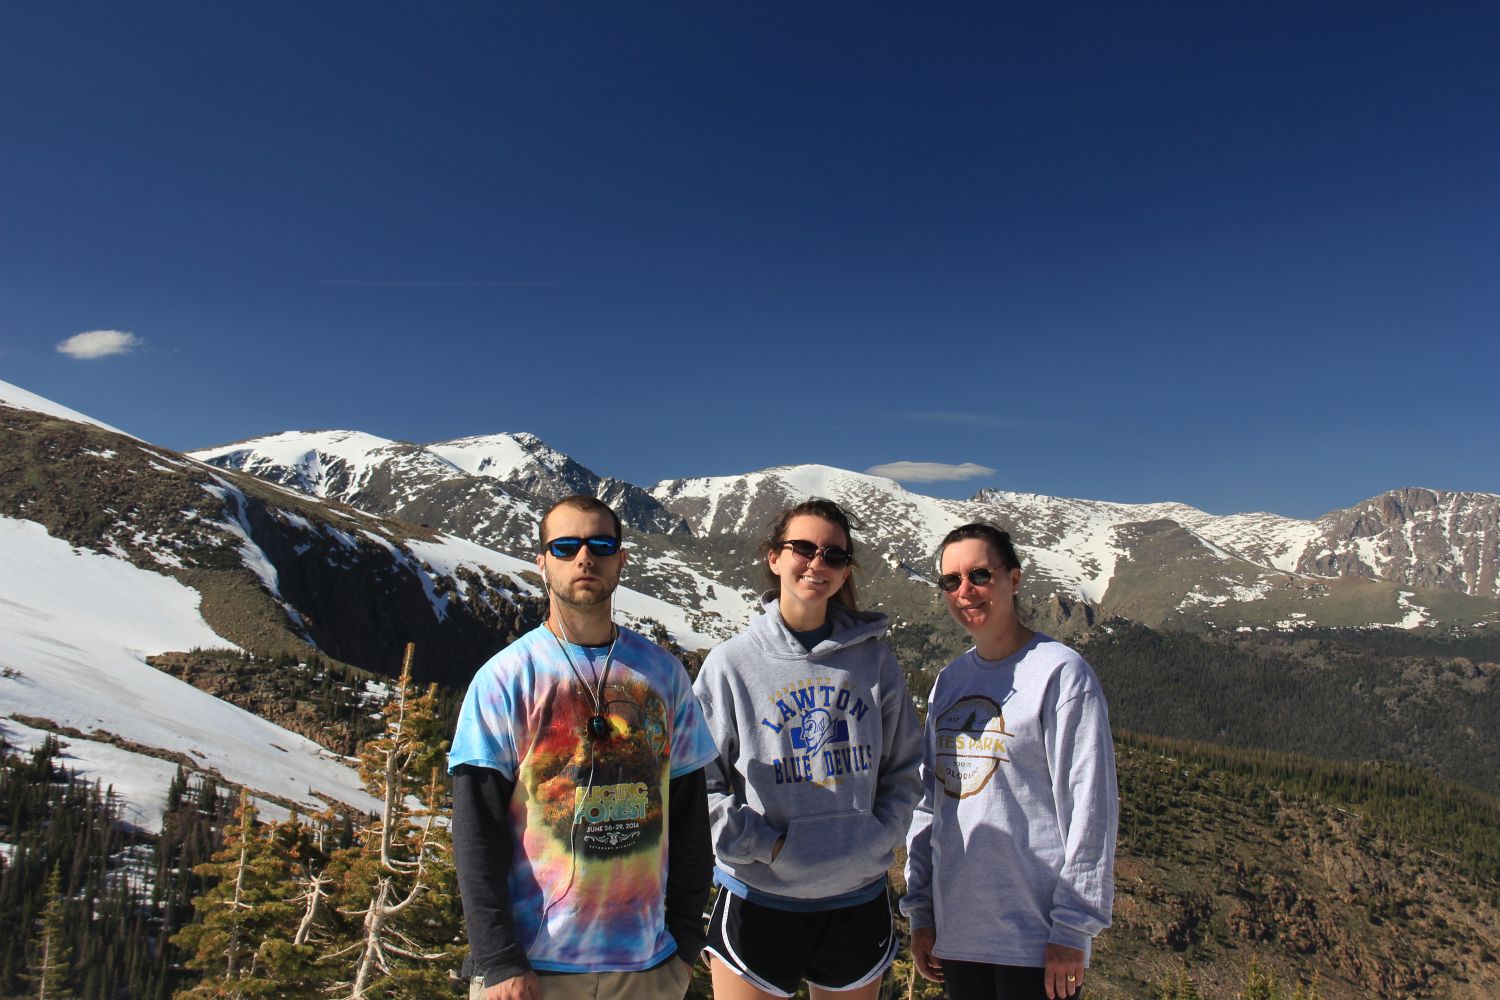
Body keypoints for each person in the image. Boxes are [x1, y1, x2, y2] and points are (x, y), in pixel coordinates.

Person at [449, 495, 719, 1000]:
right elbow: (475, 830)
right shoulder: (506, 678)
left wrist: (684, 943)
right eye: (566, 546)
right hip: (533, 968)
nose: (584, 558)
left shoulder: (662, 674)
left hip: (648, 966)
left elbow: (687, 819)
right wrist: (499, 960)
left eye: (600, 544)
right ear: (542, 562)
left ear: (621, 559)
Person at [693, 498, 923, 1000]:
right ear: (774, 557)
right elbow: (696, 783)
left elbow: (905, 767)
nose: (817, 563)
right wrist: (765, 845)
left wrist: (877, 836)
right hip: (757, 899)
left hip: (856, 898)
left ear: (845, 572)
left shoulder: (875, 662)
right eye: (803, 548)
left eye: (834, 555)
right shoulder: (731, 664)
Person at [903, 523, 1117, 1000]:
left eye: (980, 575)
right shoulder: (949, 681)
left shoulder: (1060, 673)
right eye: (951, 581)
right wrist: (921, 910)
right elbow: (929, 804)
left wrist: (1073, 927)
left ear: (1013, 579)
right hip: (957, 934)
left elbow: (1090, 807)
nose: (965, 592)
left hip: (1035, 940)